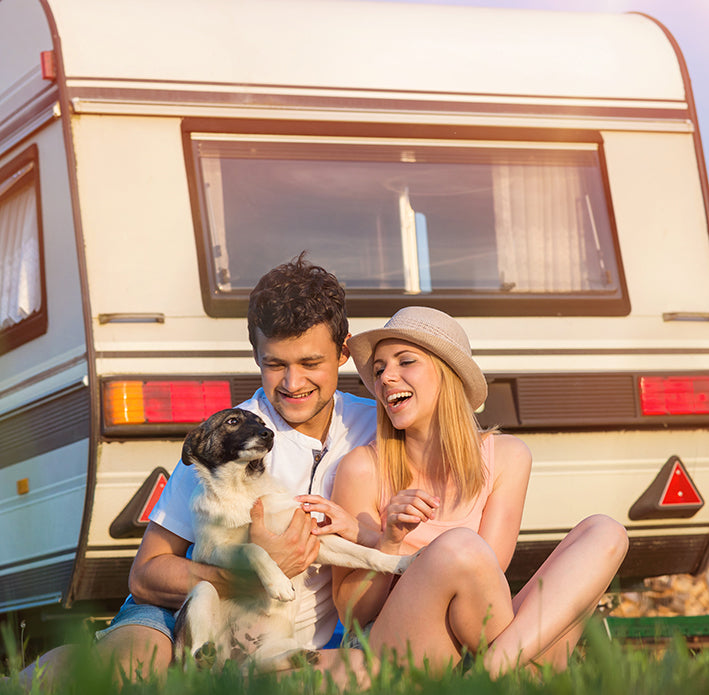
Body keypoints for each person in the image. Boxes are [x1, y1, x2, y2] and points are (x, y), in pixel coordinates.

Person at [14, 254, 376, 687]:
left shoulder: (373, 426)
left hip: (274, 640)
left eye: (310, 363)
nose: (292, 383)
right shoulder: (227, 437)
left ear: (343, 352)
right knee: (131, 671)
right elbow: (147, 573)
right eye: (275, 364)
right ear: (255, 355)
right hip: (183, 610)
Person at [310, 305, 629, 675]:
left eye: (405, 362)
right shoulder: (363, 467)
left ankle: (492, 674)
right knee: (461, 547)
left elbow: (485, 577)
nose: (386, 378)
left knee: (605, 530)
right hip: (395, 639)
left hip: (483, 638)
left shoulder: (507, 456)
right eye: (379, 370)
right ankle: (517, 676)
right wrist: (389, 542)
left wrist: (366, 533)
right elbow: (353, 614)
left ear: (448, 374)